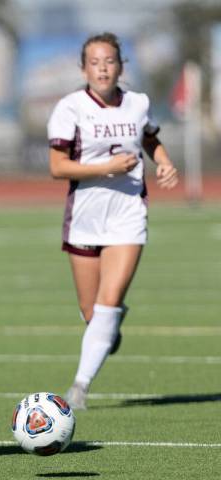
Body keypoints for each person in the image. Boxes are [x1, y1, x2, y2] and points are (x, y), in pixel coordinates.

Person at [47, 33, 178, 410]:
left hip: (127, 215)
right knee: (93, 314)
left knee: (109, 301)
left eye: (109, 61)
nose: (103, 68)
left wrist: (164, 161)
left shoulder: (138, 104)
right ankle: (107, 328)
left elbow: (150, 139)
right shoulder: (70, 107)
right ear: (83, 68)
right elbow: (57, 167)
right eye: (95, 62)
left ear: (121, 66)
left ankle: (79, 387)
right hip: (85, 218)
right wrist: (106, 167)